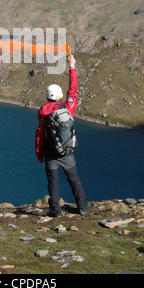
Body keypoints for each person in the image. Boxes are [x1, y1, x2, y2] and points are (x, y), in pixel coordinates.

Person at [35, 55, 90, 217]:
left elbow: (40, 137)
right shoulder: (68, 108)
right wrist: (72, 66)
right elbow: (73, 89)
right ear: (59, 96)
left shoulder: (43, 114)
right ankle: (83, 207)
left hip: (51, 154)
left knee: (53, 184)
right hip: (67, 151)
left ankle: (55, 211)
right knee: (74, 179)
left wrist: (39, 156)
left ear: (47, 96)